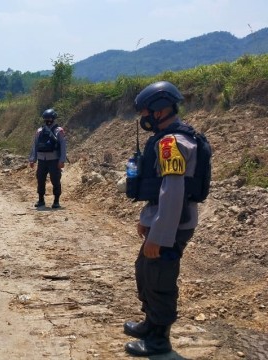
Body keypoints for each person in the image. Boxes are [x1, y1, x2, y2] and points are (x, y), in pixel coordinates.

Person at [123, 81, 203, 356]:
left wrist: (159, 234)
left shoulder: (171, 143)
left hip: (173, 223)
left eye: (145, 112)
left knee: (160, 279)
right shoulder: (166, 139)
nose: (143, 118)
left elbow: (173, 191)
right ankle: (150, 323)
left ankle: (159, 339)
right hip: (162, 218)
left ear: (158, 110)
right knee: (145, 270)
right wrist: (148, 220)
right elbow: (160, 191)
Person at [29, 108, 67, 208]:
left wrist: (62, 160)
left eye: (50, 118)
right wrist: (33, 159)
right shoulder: (39, 131)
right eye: (46, 118)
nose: (48, 120)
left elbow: (63, 146)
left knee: (55, 180)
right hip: (42, 160)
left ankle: (56, 201)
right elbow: (35, 145)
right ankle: (41, 200)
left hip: (54, 160)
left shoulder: (59, 131)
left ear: (53, 118)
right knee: (40, 180)